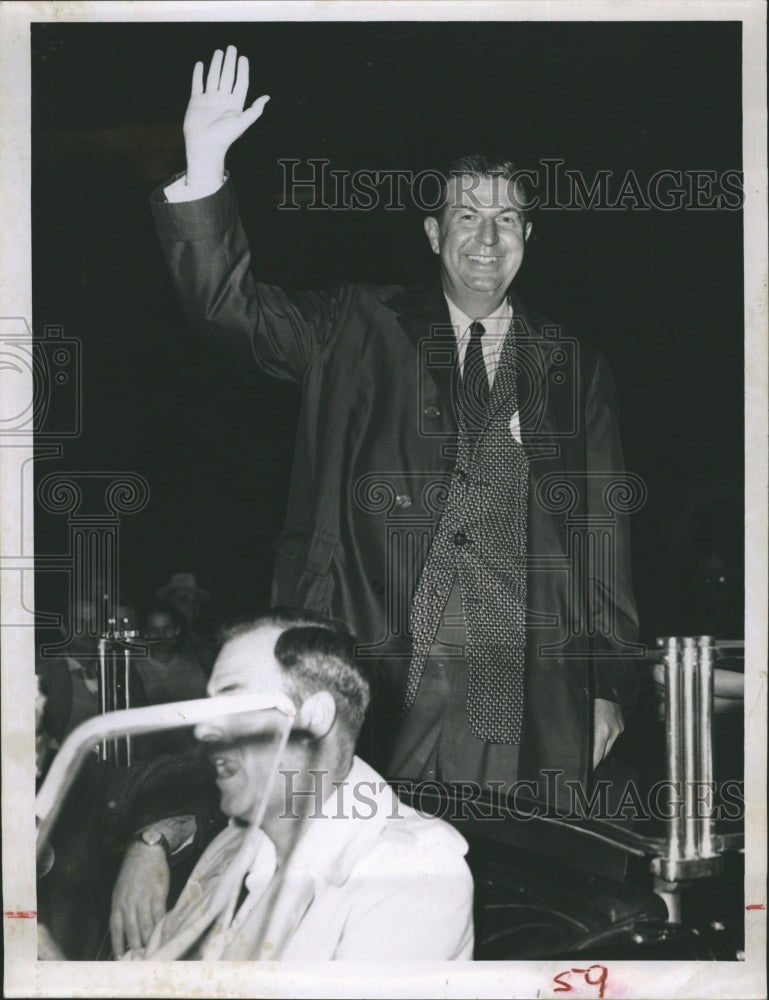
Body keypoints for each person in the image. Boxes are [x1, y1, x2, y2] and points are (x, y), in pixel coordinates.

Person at [150, 46, 639, 796]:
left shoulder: (574, 364)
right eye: (466, 217)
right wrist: (205, 166)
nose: (487, 239)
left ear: (528, 237)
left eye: (507, 219)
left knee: (499, 853)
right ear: (433, 234)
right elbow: (227, 309)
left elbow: (601, 531)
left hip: (515, 673)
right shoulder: (352, 324)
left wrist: (607, 686)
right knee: (352, 839)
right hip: (371, 651)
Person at [43, 609, 474, 960]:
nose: (204, 729)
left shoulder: (411, 870)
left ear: (313, 720)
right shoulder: (236, 844)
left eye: (233, 701)